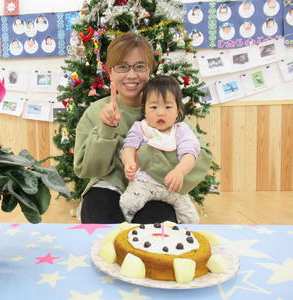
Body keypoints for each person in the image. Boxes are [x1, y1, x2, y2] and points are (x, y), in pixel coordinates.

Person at [73, 32, 212, 224]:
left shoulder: (168, 111)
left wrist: (145, 157)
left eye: (139, 66)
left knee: (155, 226)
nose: (131, 75)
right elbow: (86, 169)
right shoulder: (96, 111)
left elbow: (200, 157)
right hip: (106, 188)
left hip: (155, 188)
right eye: (122, 67)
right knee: (100, 220)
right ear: (110, 72)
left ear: (149, 69)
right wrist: (106, 129)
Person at [119, 75, 200, 224]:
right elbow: (128, 147)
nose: (161, 113)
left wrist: (179, 171)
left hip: (173, 188)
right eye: (154, 107)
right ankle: (126, 232)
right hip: (144, 184)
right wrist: (129, 162)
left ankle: (185, 240)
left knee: (191, 218)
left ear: (178, 110)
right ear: (144, 110)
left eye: (168, 107)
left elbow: (190, 154)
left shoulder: (181, 130)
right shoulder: (141, 128)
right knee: (127, 204)